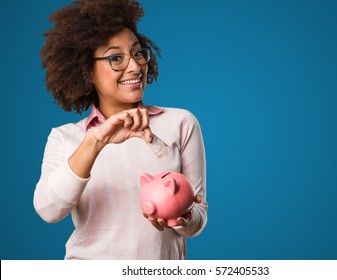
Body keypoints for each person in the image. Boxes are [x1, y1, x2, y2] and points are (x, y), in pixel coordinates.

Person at [33, 0, 207, 260]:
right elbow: (48, 209)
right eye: (116, 58)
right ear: (86, 71)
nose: (135, 67)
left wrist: (182, 215)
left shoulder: (181, 123)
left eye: (137, 53)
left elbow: (198, 217)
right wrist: (96, 141)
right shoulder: (66, 138)